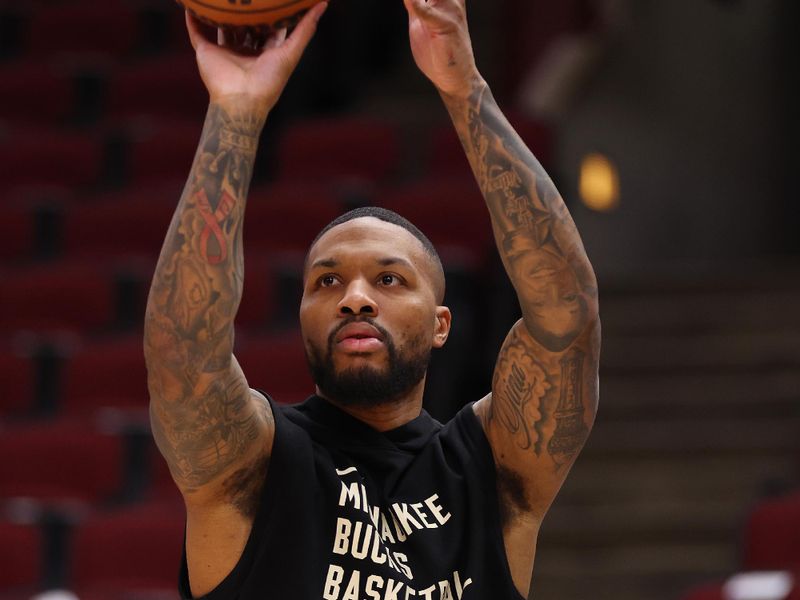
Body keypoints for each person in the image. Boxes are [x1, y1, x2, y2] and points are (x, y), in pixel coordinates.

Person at [143, 1, 600, 598]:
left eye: (389, 280)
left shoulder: (492, 466)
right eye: (327, 282)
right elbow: (182, 349)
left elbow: (566, 314)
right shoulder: (253, 460)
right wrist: (234, 114)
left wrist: (464, 87)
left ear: (442, 325)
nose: (354, 298)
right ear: (301, 317)